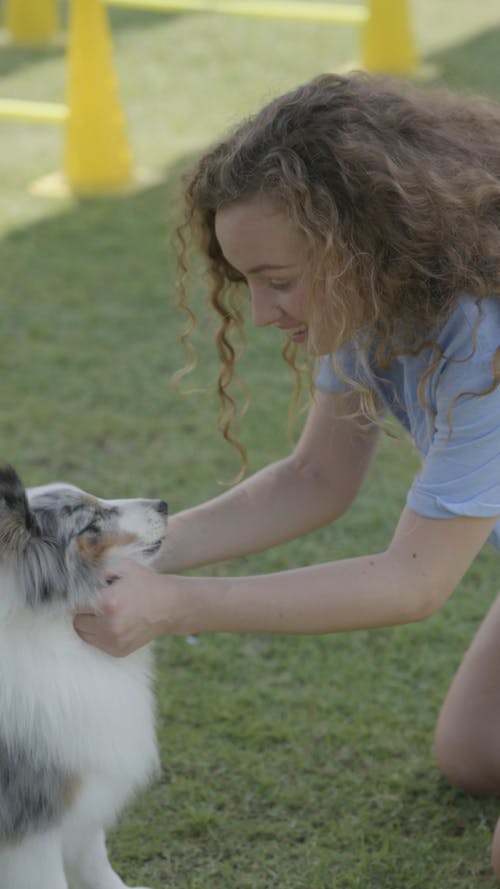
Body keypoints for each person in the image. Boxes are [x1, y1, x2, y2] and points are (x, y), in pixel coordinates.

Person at [74, 73, 500, 875]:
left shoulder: (483, 339)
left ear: (362, 239)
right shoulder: (374, 295)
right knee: (472, 757)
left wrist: (176, 604)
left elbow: (414, 581)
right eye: (250, 284)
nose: (264, 315)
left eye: (278, 280)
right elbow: (313, 478)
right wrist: (129, 554)